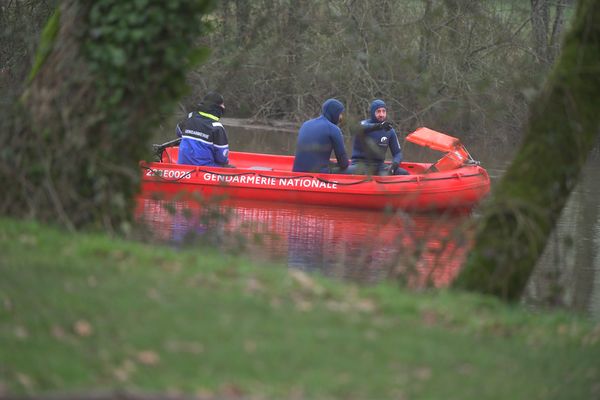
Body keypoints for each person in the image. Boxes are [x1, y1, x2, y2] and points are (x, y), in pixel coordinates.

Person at [348, 99, 409, 175]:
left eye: (384, 111)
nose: (381, 114)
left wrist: (394, 165)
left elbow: (398, 153)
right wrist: (379, 126)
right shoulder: (363, 124)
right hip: (360, 165)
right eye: (378, 111)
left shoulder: (389, 131)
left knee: (404, 173)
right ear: (372, 112)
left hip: (379, 166)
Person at [292, 98, 349, 173]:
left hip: (296, 172)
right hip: (319, 176)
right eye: (340, 114)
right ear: (334, 113)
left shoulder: (306, 124)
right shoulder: (334, 129)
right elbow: (344, 164)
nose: (341, 117)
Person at [176, 91, 232, 167]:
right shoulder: (216, 127)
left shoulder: (189, 117)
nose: (224, 107)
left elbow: (178, 132)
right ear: (217, 106)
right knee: (229, 167)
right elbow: (222, 158)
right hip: (205, 169)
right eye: (222, 104)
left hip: (181, 166)